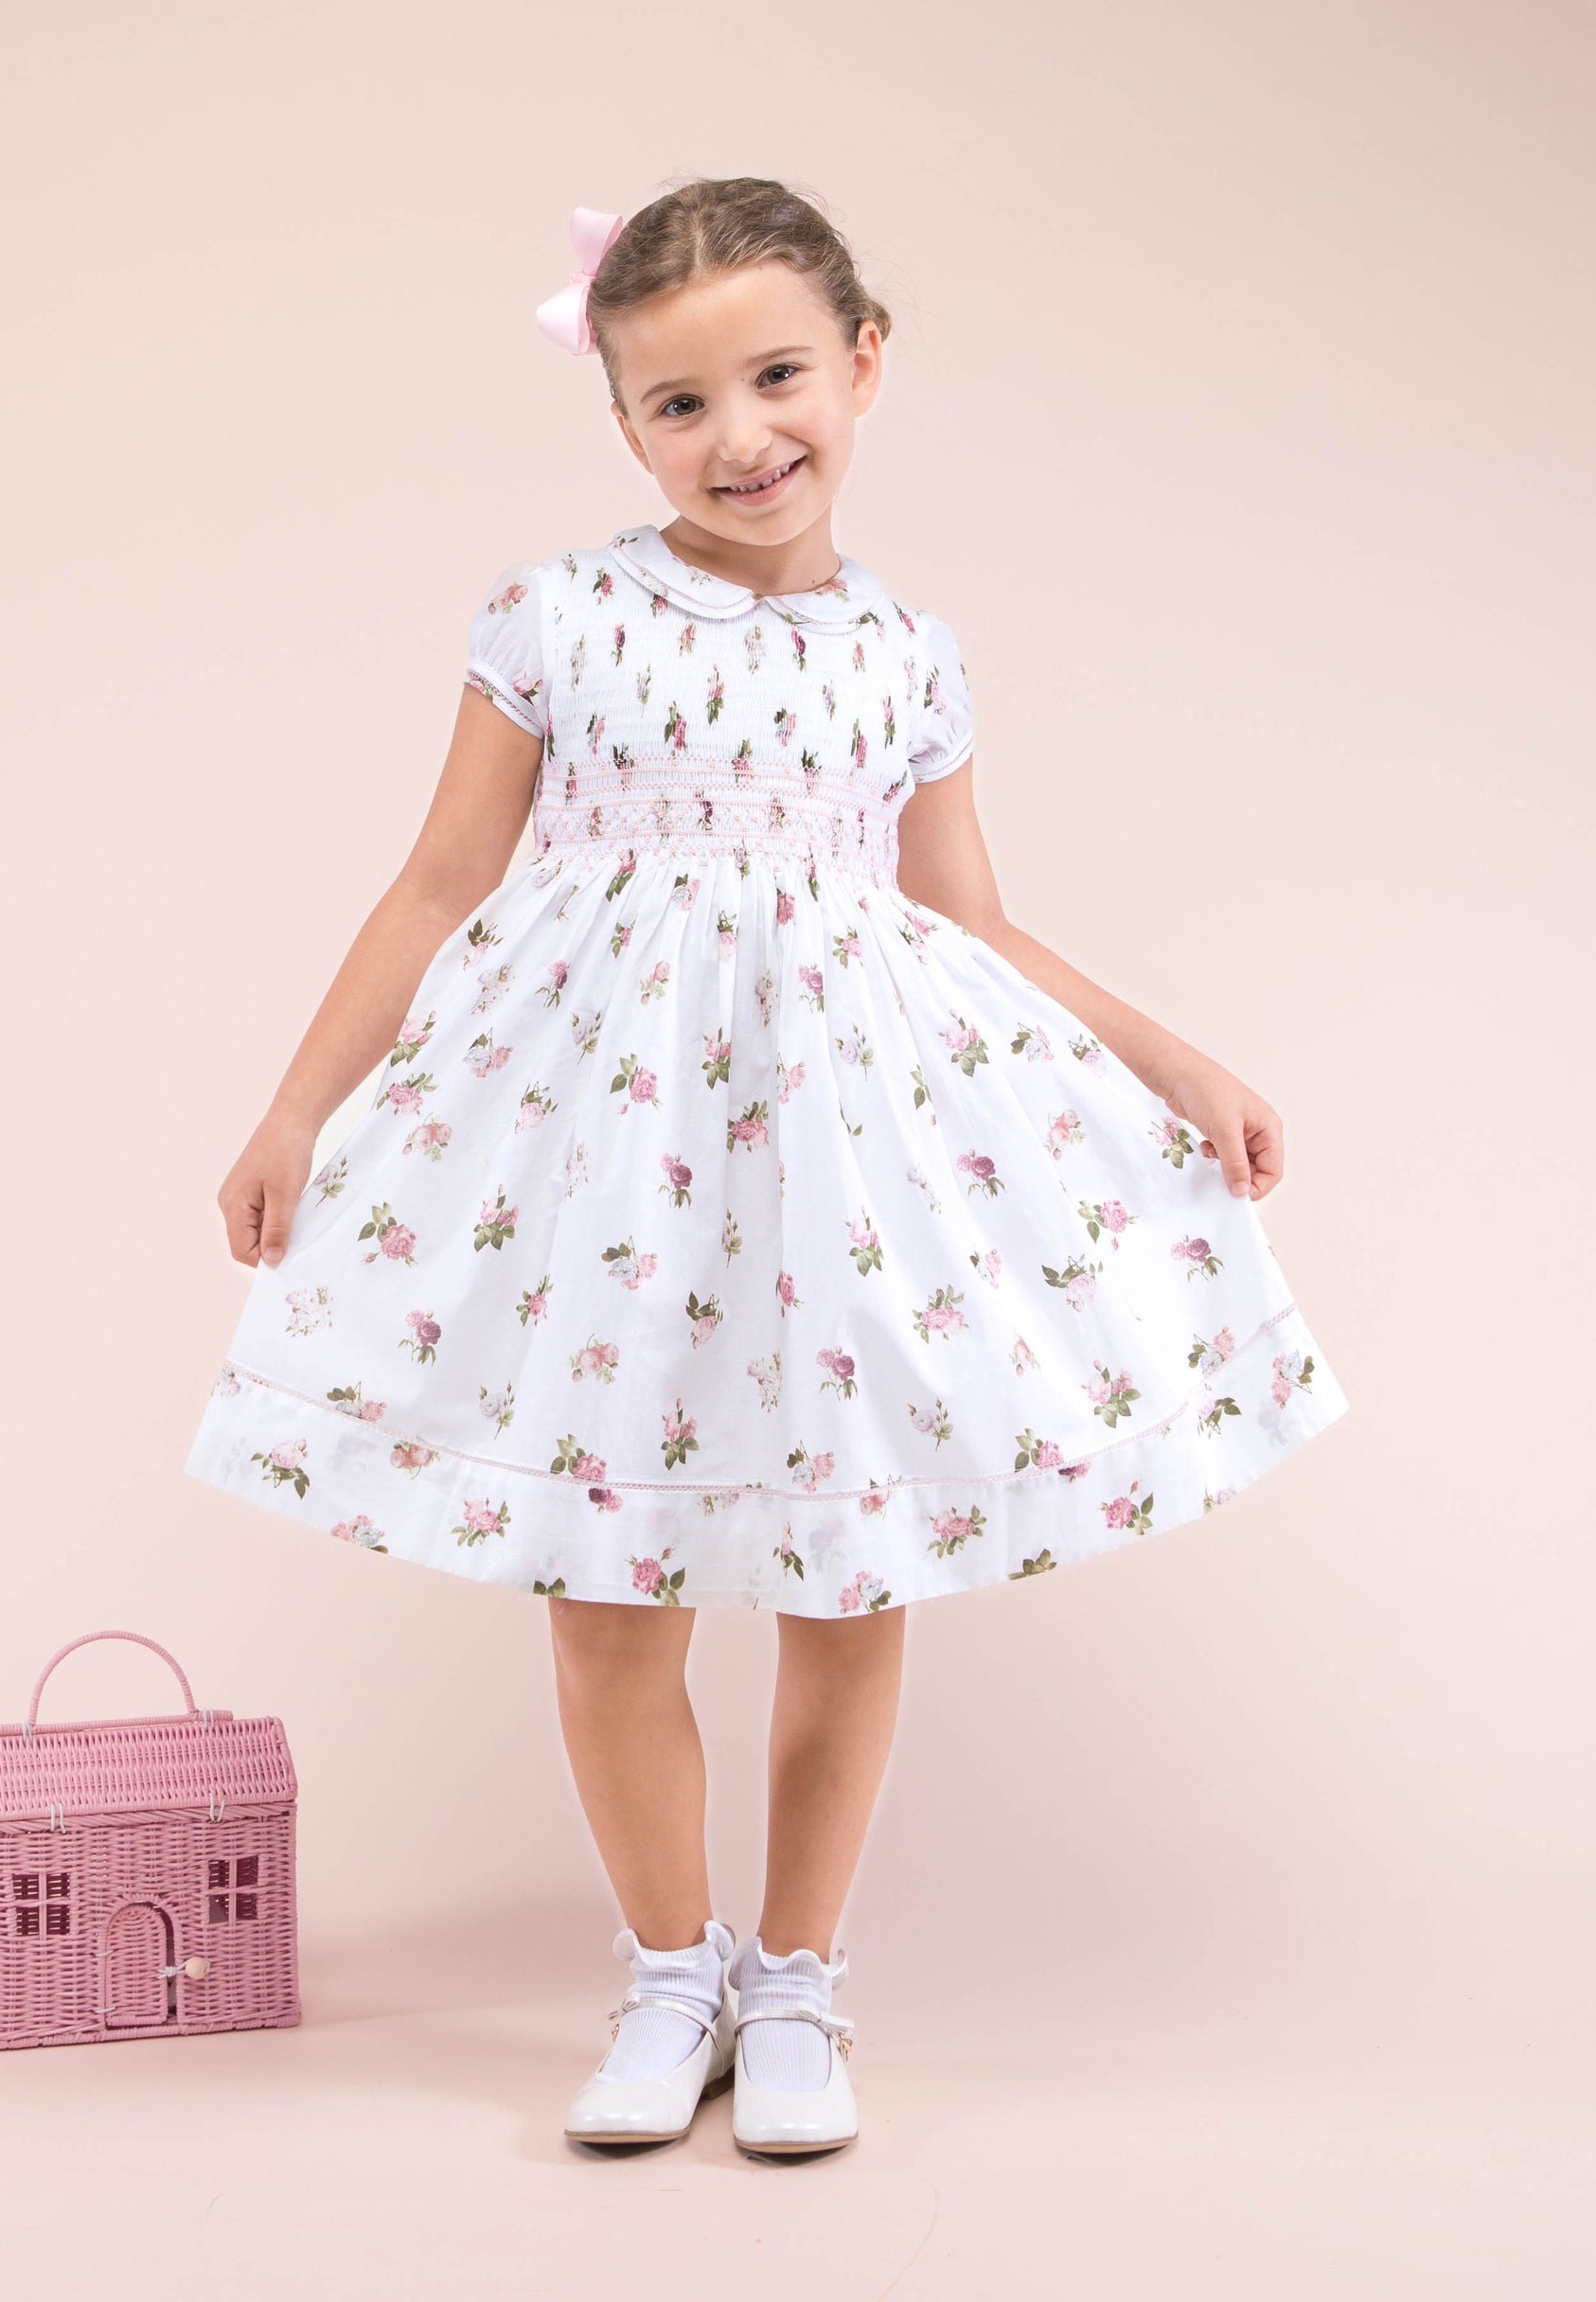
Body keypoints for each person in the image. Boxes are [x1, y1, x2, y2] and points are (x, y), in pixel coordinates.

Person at [183, 177, 1349, 2158]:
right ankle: (668, 1969)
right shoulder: (554, 619)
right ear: (621, 419)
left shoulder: (911, 656)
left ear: (865, 361)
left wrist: (1172, 1055)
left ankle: (797, 1983)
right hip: (604, 1157)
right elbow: (441, 879)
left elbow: (967, 917)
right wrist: (297, 1106)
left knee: (844, 1566)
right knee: (605, 1587)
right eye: (676, 403)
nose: (740, 438)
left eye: (780, 376)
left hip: (842, 1162)